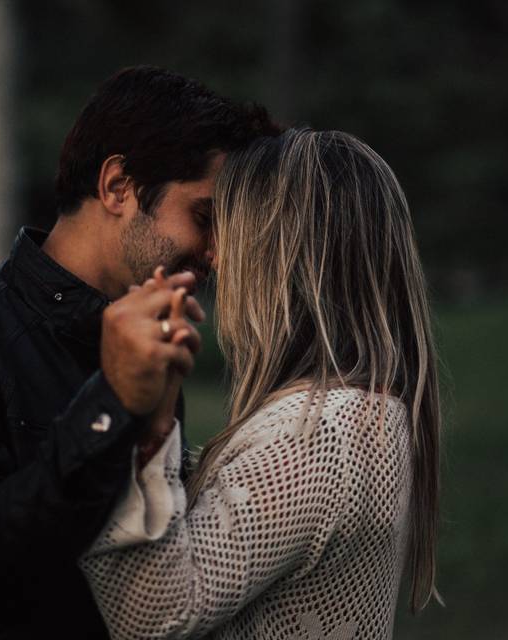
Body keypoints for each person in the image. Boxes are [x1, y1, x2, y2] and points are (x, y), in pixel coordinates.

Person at [0, 66, 280, 639]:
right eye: (204, 218)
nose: (217, 254)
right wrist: (109, 404)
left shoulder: (150, 350)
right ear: (117, 186)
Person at [80, 128, 442, 639]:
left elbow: (150, 617)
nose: (213, 257)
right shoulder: (359, 415)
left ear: (282, 252)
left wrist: (142, 417)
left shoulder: (324, 434)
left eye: (227, 228)